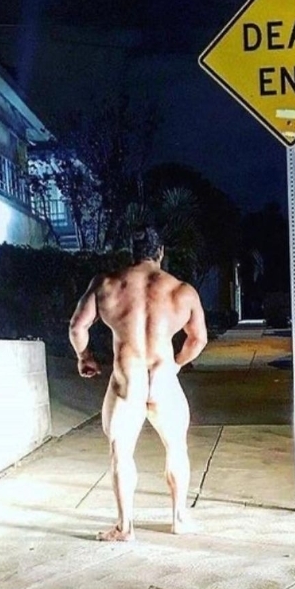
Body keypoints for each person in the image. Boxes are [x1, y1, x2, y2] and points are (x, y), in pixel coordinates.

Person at [68, 227, 208, 542]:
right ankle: (179, 518)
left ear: (132, 253)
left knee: (121, 453)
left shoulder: (105, 284)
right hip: (163, 379)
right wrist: (177, 363)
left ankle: (125, 527)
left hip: (126, 380)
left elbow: (77, 327)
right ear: (161, 253)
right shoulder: (182, 290)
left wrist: (84, 357)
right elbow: (198, 339)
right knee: (177, 448)